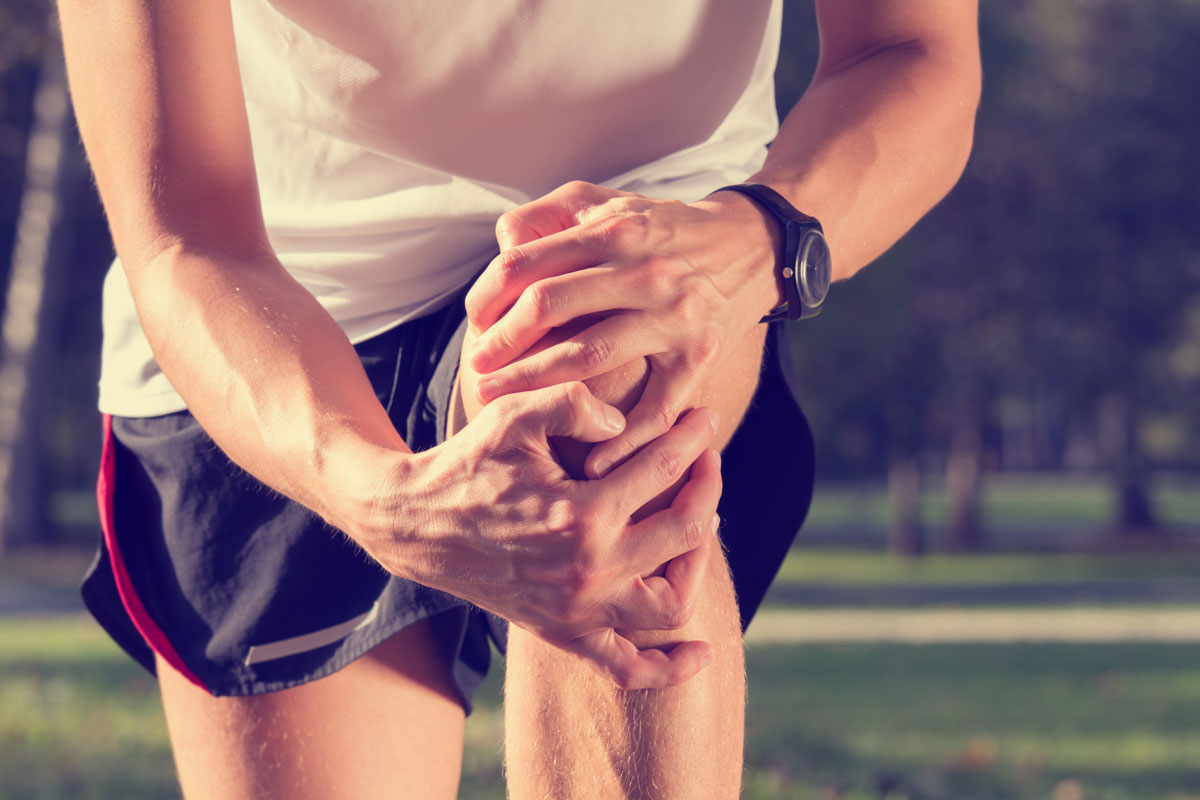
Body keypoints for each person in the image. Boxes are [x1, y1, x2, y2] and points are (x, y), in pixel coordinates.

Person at [60, 1, 980, 797]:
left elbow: (910, 49)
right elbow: (185, 238)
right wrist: (377, 500)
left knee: (597, 394)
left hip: (655, 232)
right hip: (276, 318)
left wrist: (761, 234)